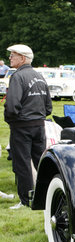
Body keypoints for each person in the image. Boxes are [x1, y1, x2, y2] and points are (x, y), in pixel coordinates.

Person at [4, 44, 52, 209]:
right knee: (40, 162)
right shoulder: (39, 76)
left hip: (22, 127)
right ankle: (47, 196)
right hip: (39, 126)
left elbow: (11, 106)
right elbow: (48, 107)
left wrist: (11, 120)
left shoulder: (17, 77)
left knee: (22, 164)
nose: (10, 57)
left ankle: (26, 201)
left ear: (22, 58)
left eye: (13, 55)